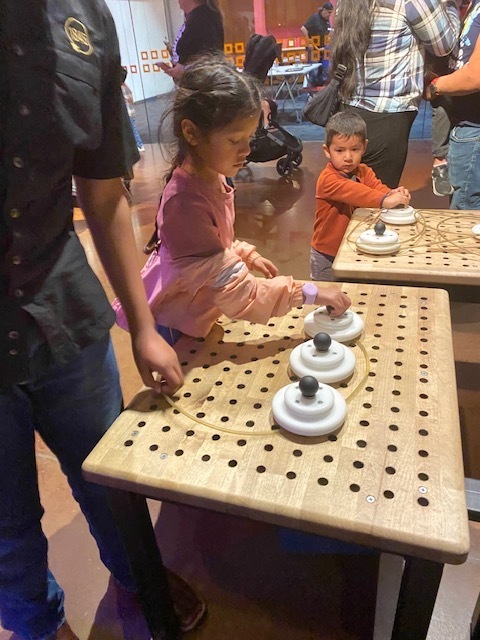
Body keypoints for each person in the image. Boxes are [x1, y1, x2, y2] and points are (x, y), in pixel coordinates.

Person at [0, 2, 208, 639]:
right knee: (5, 521)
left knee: (111, 474)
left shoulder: (87, 19)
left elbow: (103, 190)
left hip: (64, 307)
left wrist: (143, 325)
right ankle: (37, 625)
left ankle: (136, 572)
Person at [113, 55, 351, 346]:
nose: (246, 150)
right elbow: (241, 295)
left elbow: (213, 246)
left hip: (193, 308)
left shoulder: (212, 177)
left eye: (249, 137)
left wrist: (245, 254)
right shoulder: (185, 204)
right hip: (173, 323)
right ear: (191, 132)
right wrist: (310, 292)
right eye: (234, 140)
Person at [330, 0, 460, 188]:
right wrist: (451, 6)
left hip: (348, 107)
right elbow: (444, 45)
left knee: (352, 193)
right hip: (387, 116)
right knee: (378, 198)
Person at [310, 112, 411, 281]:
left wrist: (393, 193)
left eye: (355, 149)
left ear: (364, 147)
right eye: (339, 150)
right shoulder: (328, 179)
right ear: (327, 151)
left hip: (353, 248)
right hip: (327, 254)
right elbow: (358, 193)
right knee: (327, 293)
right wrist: (386, 200)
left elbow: (377, 188)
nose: (348, 157)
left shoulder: (364, 171)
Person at [425, 0, 480, 209]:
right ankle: (440, 158)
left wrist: (435, 87)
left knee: (465, 212)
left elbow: (475, 76)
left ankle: (440, 158)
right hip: (463, 126)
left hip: (473, 130)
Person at [157, 0, 224, 81]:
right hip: (195, 82)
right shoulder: (197, 17)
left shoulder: (203, 18)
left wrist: (184, 71)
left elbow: (208, 58)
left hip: (200, 83)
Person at [300, 3, 333, 85]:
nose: (329, 15)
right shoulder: (315, 18)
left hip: (322, 50)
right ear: (324, 10)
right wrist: (309, 43)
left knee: (323, 72)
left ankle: (320, 88)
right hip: (313, 50)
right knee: (313, 72)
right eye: (329, 12)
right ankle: (311, 89)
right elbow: (303, 29)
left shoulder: (327, 21)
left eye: (331, 13)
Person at [121, 81, 145, 152]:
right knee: (133, 129)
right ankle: (139, 145)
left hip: (126, 112)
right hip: (130, 112)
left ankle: (139, 145)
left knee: (131, 130)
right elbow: (131, 100)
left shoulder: (121, 89)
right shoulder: (127, 88)